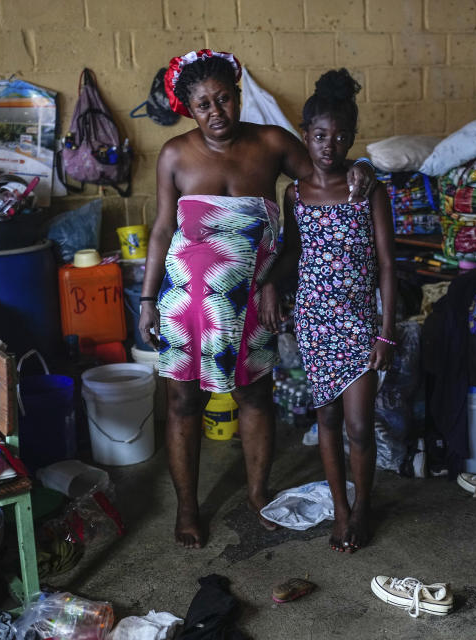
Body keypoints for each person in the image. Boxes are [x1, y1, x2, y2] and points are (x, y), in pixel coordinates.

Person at [138, 50, 376, 549]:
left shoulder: (271, 143)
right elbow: (161, 230)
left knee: (254, 394)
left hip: (250, 297)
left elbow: (325, 167)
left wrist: (364, 168)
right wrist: (145, 298)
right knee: (183, 401)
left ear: (238, 95)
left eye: (223, 98)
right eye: (203, 104)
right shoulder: (175, 155)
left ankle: (256, 495)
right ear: (189, 108)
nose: (216, 111)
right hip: (187, 301)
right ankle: (187, 508)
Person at [260, 69, 397, 552]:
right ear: (305, 134)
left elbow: (386, 266)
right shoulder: (294, 194)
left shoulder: (368, 191)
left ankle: (362, 510)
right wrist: (271, 284)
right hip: (315, 323)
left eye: (341, 137)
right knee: (328, 423)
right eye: (320, 135)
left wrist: (385, 333)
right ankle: (340, 510)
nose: (329, 145)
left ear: (352, 140)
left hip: (360, 325)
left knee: (359, 426)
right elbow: (293, 250)